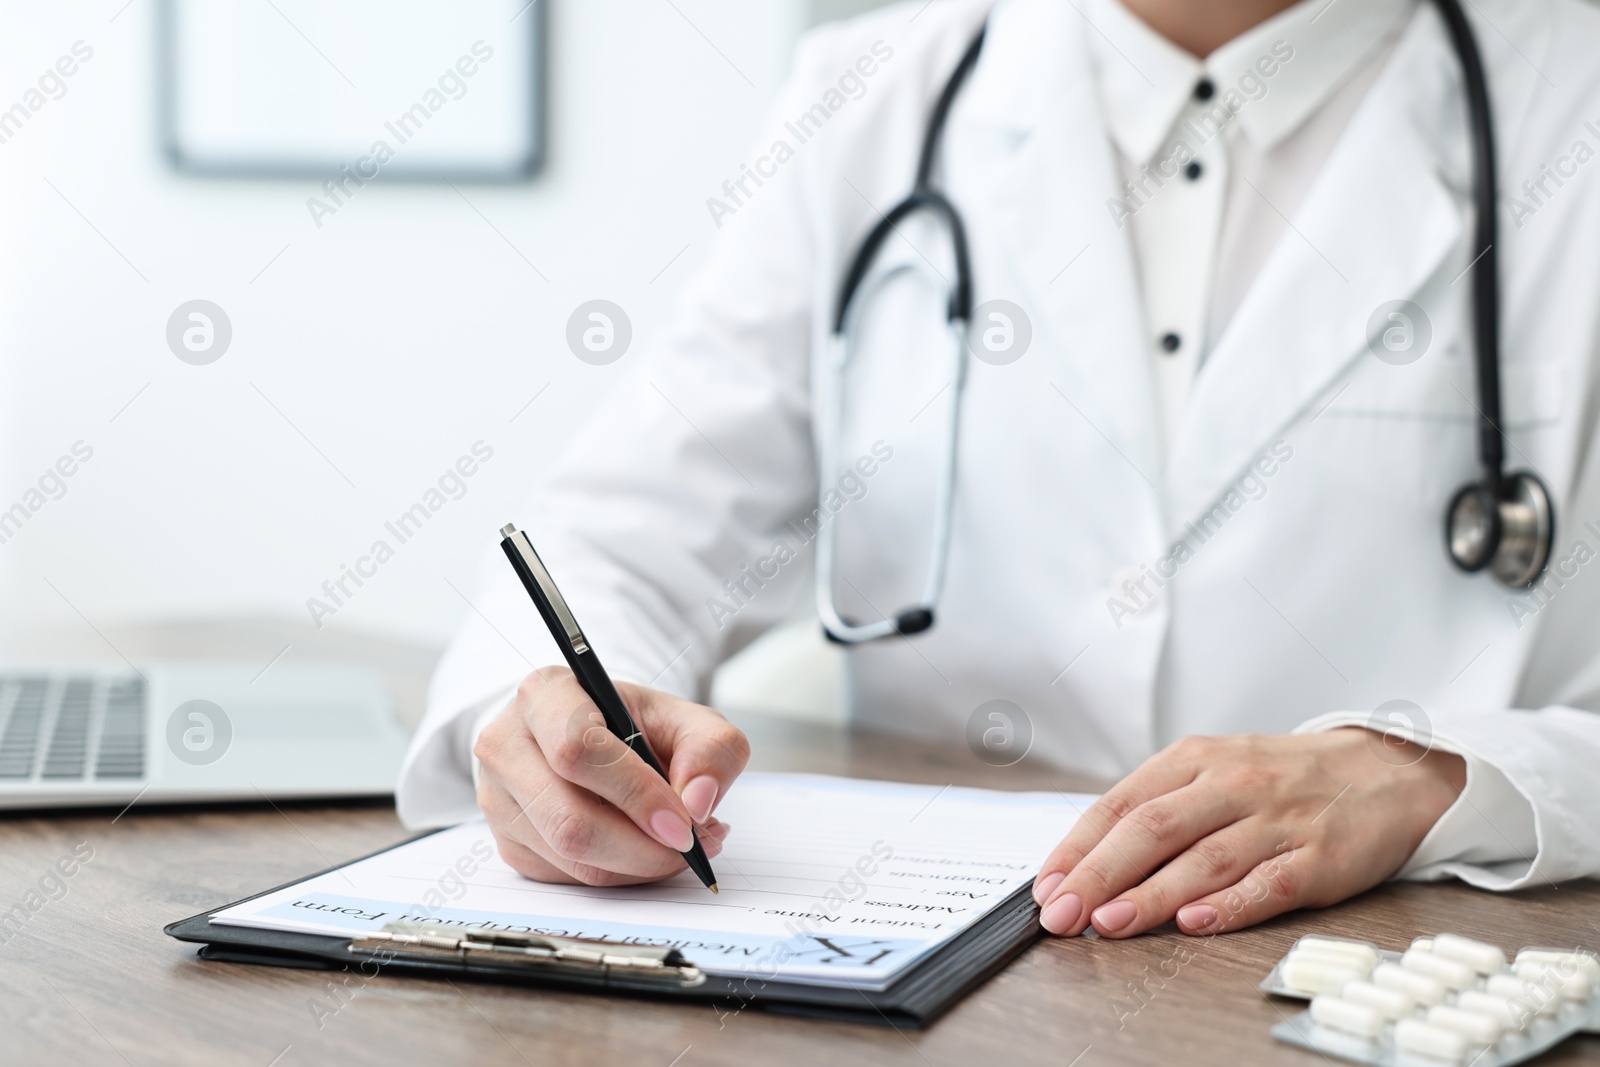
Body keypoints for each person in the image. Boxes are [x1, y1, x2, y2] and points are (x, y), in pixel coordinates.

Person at [398, 0, 1600, 940]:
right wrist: (556, 732)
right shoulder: (865, 97)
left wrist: (1440, 778)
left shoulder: (1571, 110)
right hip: (943, 984)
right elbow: (620, 541)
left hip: (1388, 975)